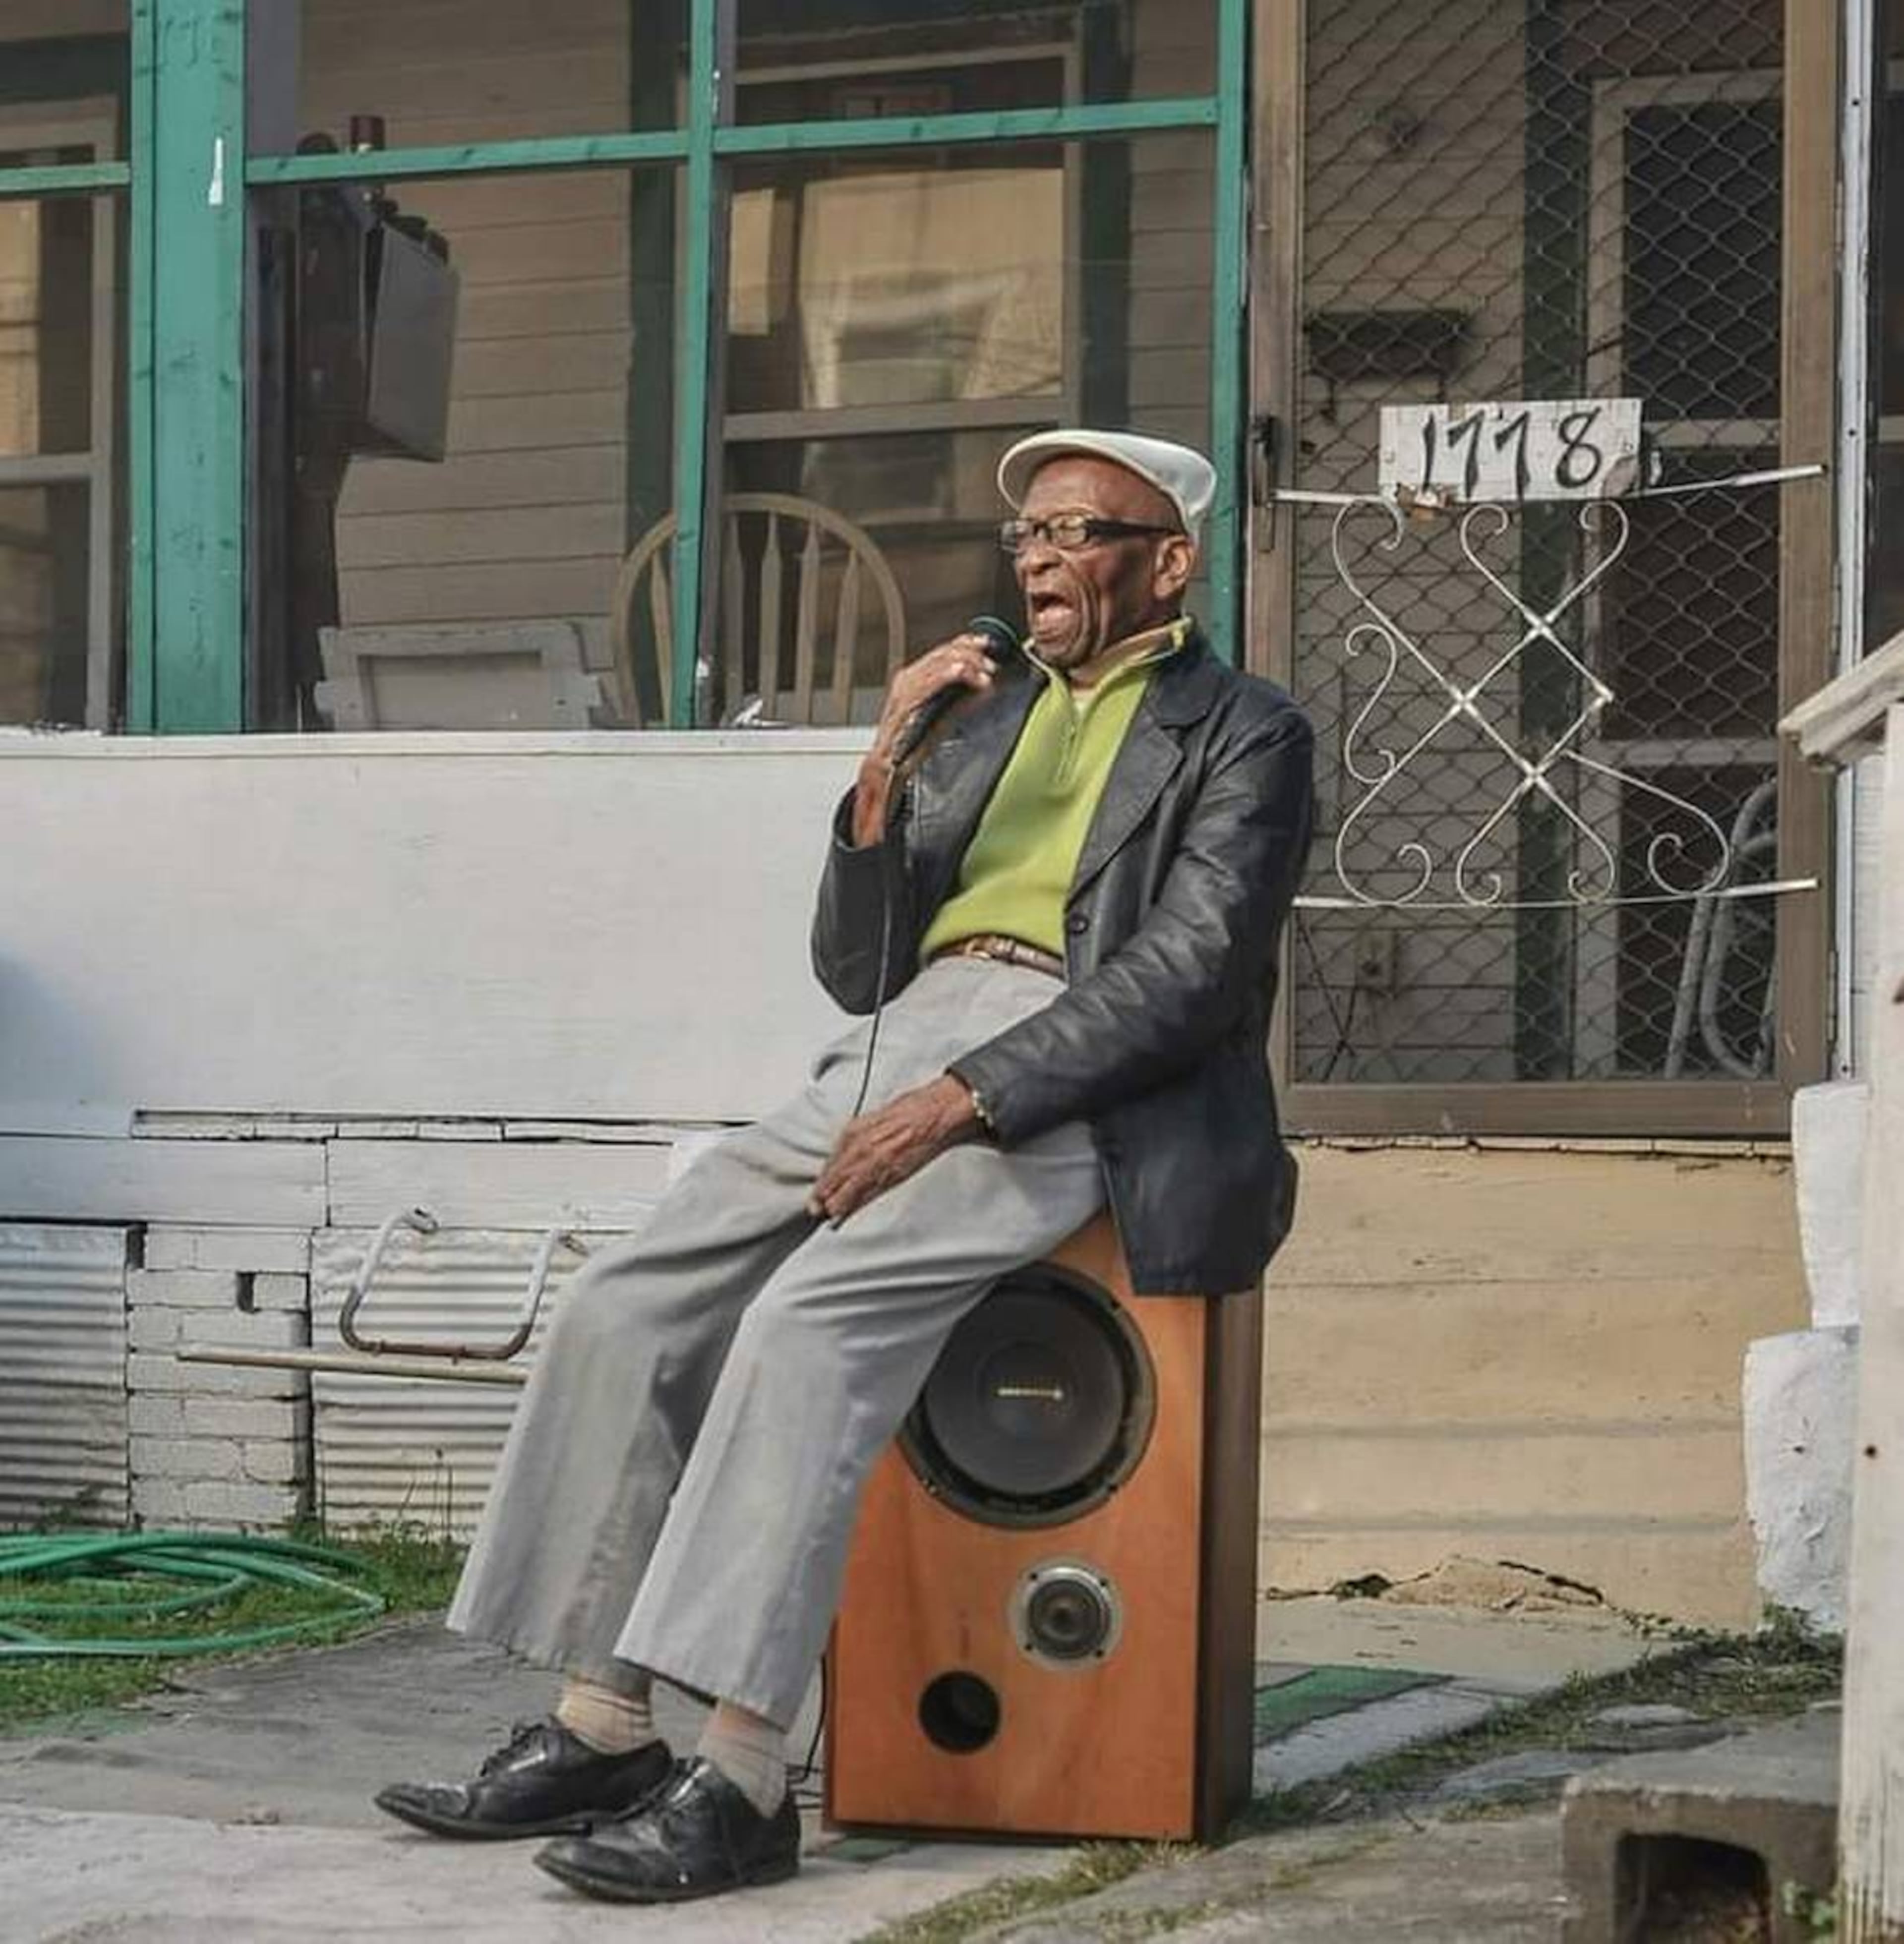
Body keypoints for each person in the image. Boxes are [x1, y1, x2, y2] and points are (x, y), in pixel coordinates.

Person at [373, 429, 1315, 1906]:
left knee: (806, 1328)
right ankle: (607, 1722)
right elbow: (851, 965)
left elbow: (1193, 973)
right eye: (1029, 537)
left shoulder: (1244, 729)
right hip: (907, 1036)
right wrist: (881, 764)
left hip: (1080, 1072)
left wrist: (963, 1097)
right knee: (631, 1303)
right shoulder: (984, 714)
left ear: (1170, 560)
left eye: (1081, 530)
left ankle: (743, 1774)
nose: (1043, 558)